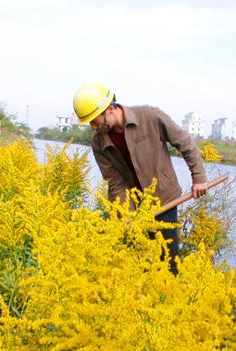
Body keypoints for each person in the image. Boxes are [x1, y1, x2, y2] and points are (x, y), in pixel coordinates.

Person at [72, 82, 207, 273]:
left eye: (95, 120)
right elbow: (115, 181)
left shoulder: (151, 117)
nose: (93, 127)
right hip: (133, 205)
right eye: (90, 123)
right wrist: (127, 214)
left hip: (164, 198)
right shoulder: (98, 143)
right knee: (138, 262)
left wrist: (199, 177)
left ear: (110, 109)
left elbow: (185, 144)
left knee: (168, 261)